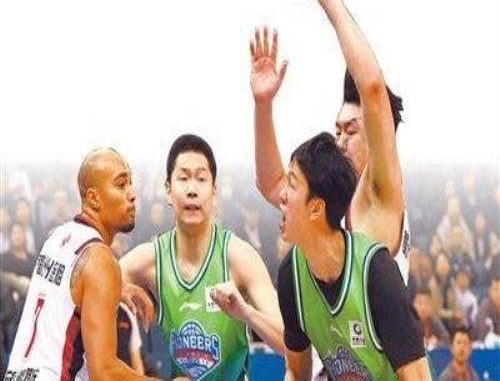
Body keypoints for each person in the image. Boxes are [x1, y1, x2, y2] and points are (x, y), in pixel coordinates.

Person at [251, 0, 410, 284]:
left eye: (351, 131)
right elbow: (272, 184)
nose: (340, 140)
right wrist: (263, 106)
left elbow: (372, 90)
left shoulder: (381, 191)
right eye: (337, 130)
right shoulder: (332, 196)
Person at [120, 134, 284, 380]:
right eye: (183, 178)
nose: (192, 190)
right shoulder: (151, 259)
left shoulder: (240, 257)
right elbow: (92, 286)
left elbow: (288, 343)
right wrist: (119, 288)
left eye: (201, 179)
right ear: (168, 190)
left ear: (214, 192)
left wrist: (246, 313)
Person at [277, 132, 432, 380]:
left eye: (292, 185)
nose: (281, 195)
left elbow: (418, 376)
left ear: (316, 208)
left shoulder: (376, 272)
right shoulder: (291, 275)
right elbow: (296, 371)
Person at [5, 148, 158, 380]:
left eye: (130, 184)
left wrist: (115, 289)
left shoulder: (57, 236)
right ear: (94, 198)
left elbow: (69, 286)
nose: (132, 194)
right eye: (121, 185)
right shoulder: (100, 259)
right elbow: (103, 373)